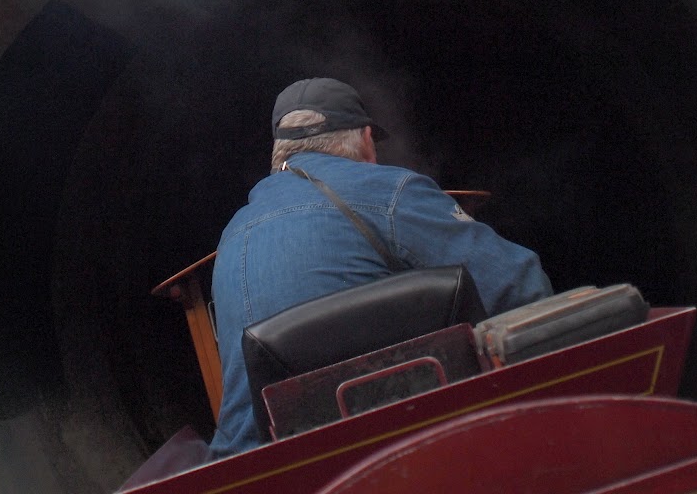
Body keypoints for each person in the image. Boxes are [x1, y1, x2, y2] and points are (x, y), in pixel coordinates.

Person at [207, 77, 552, 458]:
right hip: (396, 451)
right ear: (366, 140)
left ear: (280, 153)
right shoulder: (389, 192)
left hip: (257, 466)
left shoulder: (231, 236)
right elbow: (519, 284)